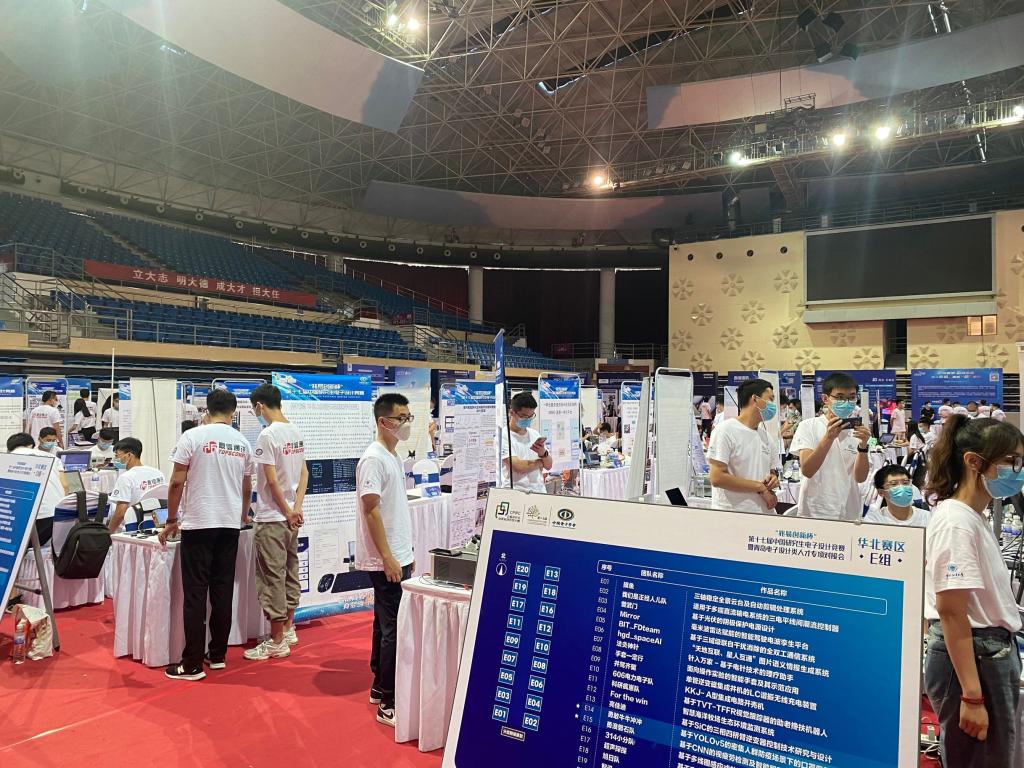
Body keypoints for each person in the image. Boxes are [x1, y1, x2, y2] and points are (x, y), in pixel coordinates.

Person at [923, 415, 1024, 766]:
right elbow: (951, 611)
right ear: (973, 462)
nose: (1018, 470)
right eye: (1011, 461)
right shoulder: (956, 523)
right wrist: (972, 696)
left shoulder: (971, 517)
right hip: (976, 659)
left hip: (988, 653)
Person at [159, 387, 254, 681]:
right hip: (229, 525)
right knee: (222, 590)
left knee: (196, 592)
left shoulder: (193, 436)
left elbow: (176, 482)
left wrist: (171, 519)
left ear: (206, 410)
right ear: (233, 412)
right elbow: (247, 486)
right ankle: (217, 655)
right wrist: (242, 514)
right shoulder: (242, 442)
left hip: (199, 522)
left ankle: (191, 664)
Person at [356, 392, 415, 727]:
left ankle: (380, 685)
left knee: (384, 622)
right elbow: (371, 510)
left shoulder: (393, 455)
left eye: (408, 417)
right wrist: (388, 557)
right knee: (393, 626)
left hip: (398, 552)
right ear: (383, 421)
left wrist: (403, 554)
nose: (406, 423)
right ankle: (389, 702)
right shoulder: (374, 458)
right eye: (401, 418)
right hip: (386, 558)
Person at [244, 383, 308, 662]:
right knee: (290, 571)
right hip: (290, 517)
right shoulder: (295, 430)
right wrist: (295, 509)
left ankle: (277, 640)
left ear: (259, 406)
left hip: (272, 518)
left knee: (272, 578)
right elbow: (304, 474)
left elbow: (271, 481)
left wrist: (287, 510)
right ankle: (289, 628)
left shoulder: (267, 435)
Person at [791, 372, 872, 520]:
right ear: (825, 399)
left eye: (852, 397)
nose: (847, 402)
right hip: (816, 509)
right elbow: (807, 470)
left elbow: (860, 478)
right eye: (840, 397)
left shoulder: (858, 431)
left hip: (849, 508)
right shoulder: (808, 426)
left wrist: (863, 447)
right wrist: (828, 438)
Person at [707, 378, 779, 513]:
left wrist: (773, 480)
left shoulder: (766, 437)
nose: (773, 405)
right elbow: (717, 477)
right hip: (733, 514)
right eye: (770, 399)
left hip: (763, 512)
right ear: (755, 399)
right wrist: (760, 487)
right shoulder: (725, 430)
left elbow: (771, 472)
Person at [7, 432, 67, 547]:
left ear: (10, 448)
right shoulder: (52, 457)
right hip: (55, 515)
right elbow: (65, 485)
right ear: (31, 445)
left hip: (24, 520)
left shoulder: (6, 459)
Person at [105, 437, 167, 532]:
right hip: (158, 523)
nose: (115, 459)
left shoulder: (126, 478)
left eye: (117, 455)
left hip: (133, 526)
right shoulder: (158, 473)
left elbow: (120, 513)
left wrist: (107, 533)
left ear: (129, 455)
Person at [501, 392, 552, 493]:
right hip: (516, 492)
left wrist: (543, 454)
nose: (528, 419)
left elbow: (548, 465)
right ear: (512, 412)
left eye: (531, 416)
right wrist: (539, 462)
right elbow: (519, 467)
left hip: (539, 491)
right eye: (524, 416)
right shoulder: (503, 436)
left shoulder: (535, 434)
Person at [863, 465, 931, 526]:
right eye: (894, 484)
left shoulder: (928, 518)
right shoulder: (874, 521)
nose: (902, 488)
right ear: (881, 492)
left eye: (905, 483)